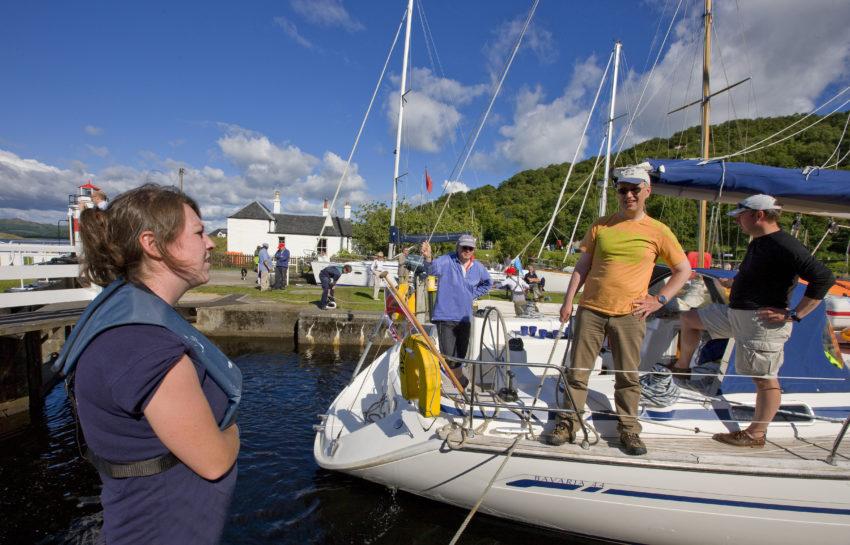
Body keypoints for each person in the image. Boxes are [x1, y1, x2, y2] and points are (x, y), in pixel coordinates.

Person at [55, 184, 240, 544]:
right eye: (199, 233)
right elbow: (214, 460)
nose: (211, 243)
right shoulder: (145, 348)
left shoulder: (132, 314)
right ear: (153, 245)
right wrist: (233, 430)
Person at [671, 194, 835, 448]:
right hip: (736, 314)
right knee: (689, 319)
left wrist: (794, 314)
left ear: (758, 215)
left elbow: (823, 278)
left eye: (741, 216)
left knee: (764, 377)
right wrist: (735, 282)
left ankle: (756, 433)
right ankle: (682, 370)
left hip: (761, 322)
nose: (738, 221)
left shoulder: (784, 244)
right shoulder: (759, 242)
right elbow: (765, 275)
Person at [550, 163, 691, 455]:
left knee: (627, 376)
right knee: (577, 372)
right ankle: (568, 423)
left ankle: (628, 430)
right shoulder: (601, 226)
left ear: (647, 192)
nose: (629, 195)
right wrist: (568, 301)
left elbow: (683, 270)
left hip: (630, 314)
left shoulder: (658, 231)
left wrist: (659, 300)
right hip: (591, 309)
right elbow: (583, 266)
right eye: (623, 190)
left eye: (635, 190)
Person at [421, 234, 492, 387]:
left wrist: (472, 294)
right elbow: (431, 270)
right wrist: (428, 257)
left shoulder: (478, 267)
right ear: (457, 247)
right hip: (445, 316)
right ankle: (461, 383)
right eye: (464, 247)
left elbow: (488, 283)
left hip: (465, 318)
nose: (467, 250)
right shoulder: (446, 260)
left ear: (474, 250)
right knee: (450, 357)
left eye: (470, 248)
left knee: (460, 355)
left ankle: (458, 382)